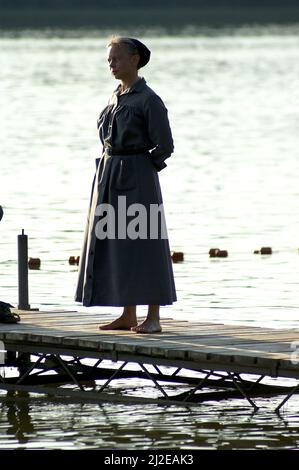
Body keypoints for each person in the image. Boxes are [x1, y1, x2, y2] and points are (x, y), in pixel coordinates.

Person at [75, 36, 177, 333]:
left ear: (135, 59)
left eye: (117, 58)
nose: (112, 64)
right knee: (120, 244)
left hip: (138, 177)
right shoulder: (116, 96)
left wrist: (143, 169)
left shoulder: (149, 99)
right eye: (109, 60)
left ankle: (154, 317)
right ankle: (128, 314)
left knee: (146, 243)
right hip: (109, 174)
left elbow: (165, 145)